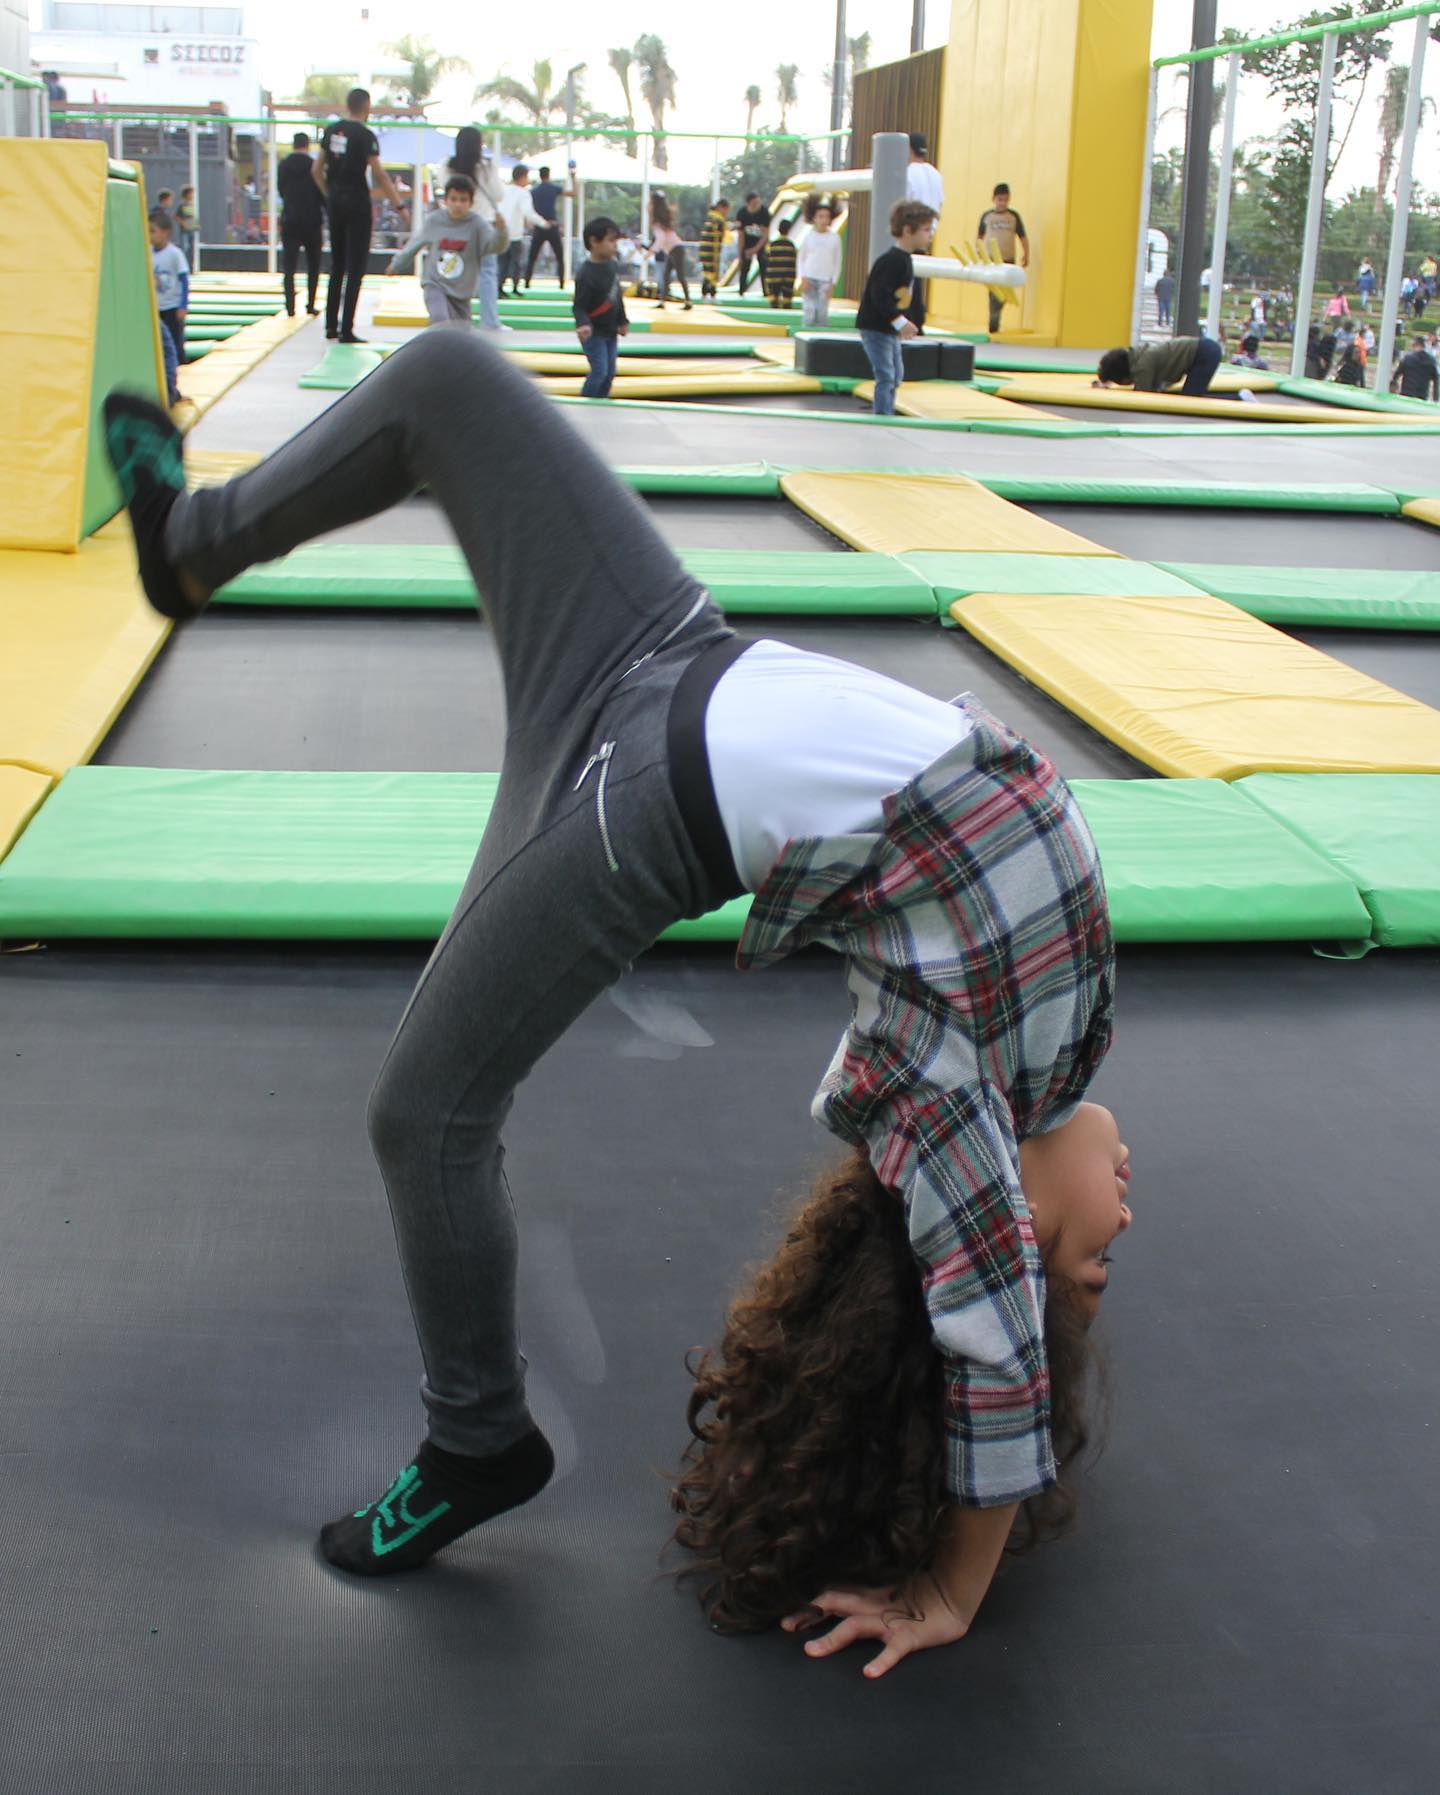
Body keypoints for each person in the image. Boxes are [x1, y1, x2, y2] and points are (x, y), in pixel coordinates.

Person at [100, 332, 1121, 1669]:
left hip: (641, 803)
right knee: (449, 378)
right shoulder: (1064, 1033)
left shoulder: (952, 1116)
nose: (1116, 1239)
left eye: (1084, 1264)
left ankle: (476, 1439)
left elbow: (991, 1353)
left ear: (1007, 1222)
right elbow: (1008, 1317)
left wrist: (951, 1587)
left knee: (425, 1111)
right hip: (660, 644)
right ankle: (192, 544)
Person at [315, 88, 402, 345]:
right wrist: (399, 206)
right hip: (357, 204)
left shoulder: (331, 131)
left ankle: (331, 325)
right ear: (367, 107)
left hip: (336, 203)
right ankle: (346, 328)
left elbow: (316, 169)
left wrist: (329, 195)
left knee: (337, 265)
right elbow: (380, 174)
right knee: (355, 267)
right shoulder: (365, 135)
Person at [857, 199, 937, 416]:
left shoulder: (906, 260)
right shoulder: (890, 261)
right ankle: (883, 414)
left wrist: (914, 322)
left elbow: (907, 296)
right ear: (908, 230)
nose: (930, 234)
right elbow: (879, 294)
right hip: (875, 327)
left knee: (896, 374)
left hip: (888, 328)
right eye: (926, 229)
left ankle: (886, 409)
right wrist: (900, 321)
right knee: (886, 374)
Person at [386, 174, 495, 328]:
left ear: (471, 203)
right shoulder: (434, 221)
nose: (458, 204)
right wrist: (396, 264)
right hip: (435, 282)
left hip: (461, 289)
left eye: (463, 200)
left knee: (461, 336)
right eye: (453, 199)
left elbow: (495, 246)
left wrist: (502, 232)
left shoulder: (478, 225)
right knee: (440, 320)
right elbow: (415, 244)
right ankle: (435, 348)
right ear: (445, 200)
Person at [573, 215, 629, 397]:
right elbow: (579, 306)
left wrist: (622, 320)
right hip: (594, 332)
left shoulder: (612, 266)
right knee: (599, 372)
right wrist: (583, 324)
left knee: (610, 373)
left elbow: (617, 296)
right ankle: (586, 401)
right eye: (611, 241)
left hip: (610, 330)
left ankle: (601, 402)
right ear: (594, 242)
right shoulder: (585, 274)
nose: (615, 245)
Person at [277, 132, 323, 318]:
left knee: (289, 266)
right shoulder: (314, 166)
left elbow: (281, 189)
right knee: (314, 265)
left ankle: (290, 307)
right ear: (308, 145)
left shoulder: (284, 165)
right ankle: (310, 305)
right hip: (312, 219)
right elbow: (321, 190)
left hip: (290, 219)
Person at [1094, 334, 1226, 398]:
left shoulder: (1142, 367)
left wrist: (1108, 391)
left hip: (1204, 353)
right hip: (1204, 348)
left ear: (1123, 376)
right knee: (1193, 391)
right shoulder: (1139, 355)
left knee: (1191, 398)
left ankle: (1239, 397)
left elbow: (1142, 396)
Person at [904, 135, 944, 328]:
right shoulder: (936, 174)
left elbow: (903, 200)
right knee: (916, 275)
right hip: (928, 231)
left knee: (906, 275)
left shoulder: (907, 173)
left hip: (910, 230)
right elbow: (940, 202)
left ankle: (911, 318)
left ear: (909, 149)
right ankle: (917, 318)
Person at [977, 182, 1027, 335]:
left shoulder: (1013, 217)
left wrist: (1026, 253)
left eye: (1005, 200)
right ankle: (994, 319)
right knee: (994, 290)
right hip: (991, 258)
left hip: (1007, 258)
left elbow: (1023, 236)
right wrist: (978, 252)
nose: (1002, 203)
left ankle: (995, 313)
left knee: (1005, 290)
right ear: (993, 199)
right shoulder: (987, 216)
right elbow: (980, 236)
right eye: (1000, 199)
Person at [148, 206, 188, 395]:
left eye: (153, 231)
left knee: (173, 347)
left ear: (165, 233)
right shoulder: (148, 253)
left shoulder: (174, 254)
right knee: (158, 349)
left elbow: (184, 280)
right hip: (156, 307)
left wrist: (183, 305)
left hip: (172, 307)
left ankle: (172, 384)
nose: (150, 236)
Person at [496, 164, 543, 299]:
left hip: (501, 232)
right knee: (515, 261)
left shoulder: (504, 190)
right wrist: (543, 223)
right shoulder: (523, 193)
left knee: (503, 262)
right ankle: (515, 286)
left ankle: (500, 287)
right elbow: (528, 211)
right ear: (522, 177)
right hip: (515, 233)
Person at [524, 165, 570, 289]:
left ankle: (527, 282)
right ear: (548, 175)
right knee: (559, 256)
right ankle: (561, 283)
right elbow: (571, 193)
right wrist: (573, 176)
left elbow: (528, 209)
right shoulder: (553, 188)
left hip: (539, 226)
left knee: (532, 257)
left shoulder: (534, 191)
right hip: (552, 225)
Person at [798, 201, 842, 327]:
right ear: (814, 218)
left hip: (825, 280)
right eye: (820, 216)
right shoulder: (808, 236)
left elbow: (837, 261)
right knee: (809, 311)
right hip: (809, 278)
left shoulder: (835, 238)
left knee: (822, 313)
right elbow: (801, 259)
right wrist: (803, 277)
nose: (823, 220)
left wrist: (833, 283)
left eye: (826, 217)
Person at [648, 193, 692, 310]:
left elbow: (661, 239)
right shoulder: (662, 220)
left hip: (675, 249)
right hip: (673, 249)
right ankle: (663, 301)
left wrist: (651, 251)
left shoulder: (658, 222)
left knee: (679, 275)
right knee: (666, 275)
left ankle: (688, 301)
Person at [734, 191, 771, 296]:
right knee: (744, 267)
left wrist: (755, 249)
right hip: (747, 242)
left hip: (760, 243)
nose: (757, 205)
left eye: (758, 203)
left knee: (764, 265)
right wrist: (740, 253)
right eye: (755, 203)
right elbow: (740, 235)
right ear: (749, 204)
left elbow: (766, 235)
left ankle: (766, 291)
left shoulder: (764, 212)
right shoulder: (742, 214)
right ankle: (741, 291)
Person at [698, 196, 729, 299]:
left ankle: (705, 292)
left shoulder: (710, 216)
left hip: (704, 249)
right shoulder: (718, 219)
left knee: (707, 272)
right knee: (712, 272)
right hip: (712, 250)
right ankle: (711, 292)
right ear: (721, 207)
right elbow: (720, 236)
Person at [1392, 334, 1438, 401]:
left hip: (1406, 395)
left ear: (1414, 345)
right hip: (1422, 397)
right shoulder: (1431, 361)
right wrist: (1435, 400)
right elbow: (1436, 381)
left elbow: (1396, 375)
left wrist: (1393, 390)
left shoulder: (1407, 358)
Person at [764, 216, 797, 309]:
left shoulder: (772, 245)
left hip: (773, 277)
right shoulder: (791, 246)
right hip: (788, 277)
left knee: (773, 303)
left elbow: (766, 259)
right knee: (787, 303)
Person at [174, 185, 198, 268]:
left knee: (191, 249)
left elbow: (191, 217)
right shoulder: (182, 205)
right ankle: (183, 266)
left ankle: (190, 267)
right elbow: (175, 216)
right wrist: (183, 223)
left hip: (192, 230)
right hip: (185, 231)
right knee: (185, 248)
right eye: (191, 193)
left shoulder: (191, 205)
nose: (192, 195)